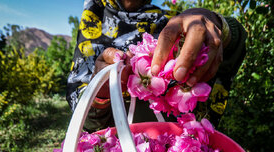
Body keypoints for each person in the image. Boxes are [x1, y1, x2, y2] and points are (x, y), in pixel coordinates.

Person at [66, 0, 247, 132]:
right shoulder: (92, 30)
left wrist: (213, 20)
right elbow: (86, 123)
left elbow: (237, 40)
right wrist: (100, 95)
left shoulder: (171, 24)